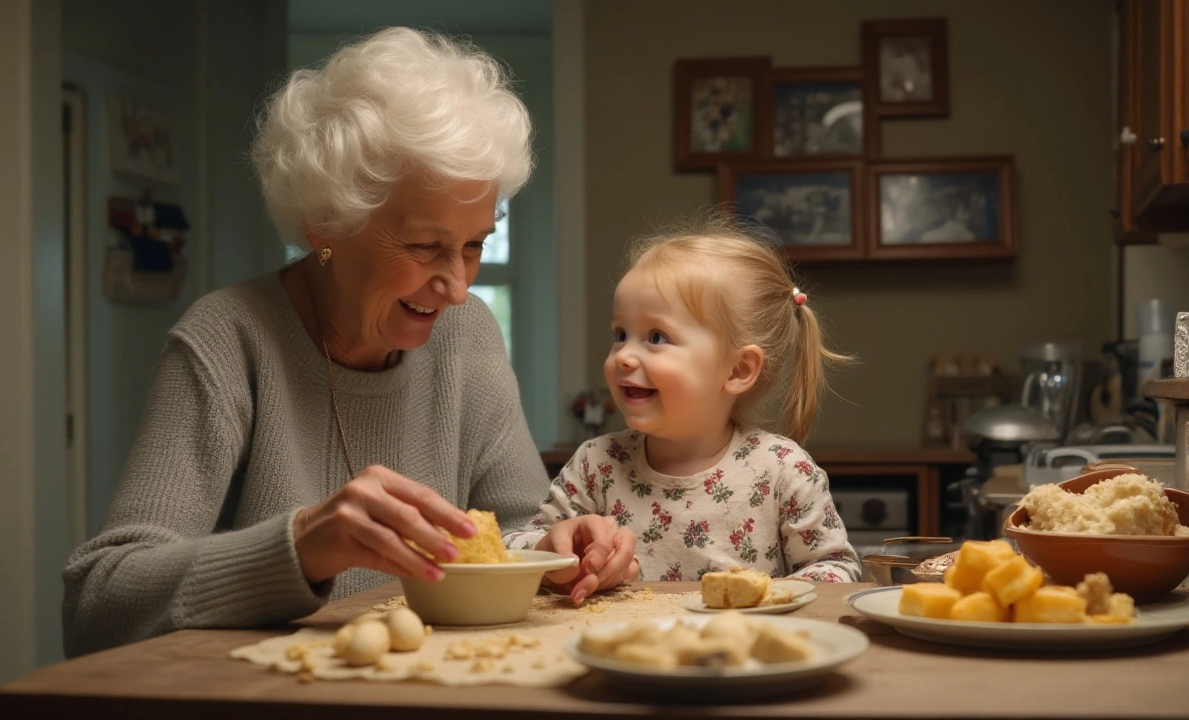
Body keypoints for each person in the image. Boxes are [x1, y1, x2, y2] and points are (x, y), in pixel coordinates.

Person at [62, 27, 636, 658]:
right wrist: (302, 545)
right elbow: (97, 607)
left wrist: (563, 548)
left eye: (475, 245)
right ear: (326, 223)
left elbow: (521, 533)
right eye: (424, 246)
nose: (455, 286)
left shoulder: (467, 332)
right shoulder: (228, 338)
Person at [506, 215, 861, 583]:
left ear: (738, 370)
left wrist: (779, 598)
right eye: (620, 333)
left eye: (657, 337)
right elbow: (511, 548)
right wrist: (555, 549)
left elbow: (839, 569)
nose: (624, 356)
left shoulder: (783, 471)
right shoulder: (596, 466)